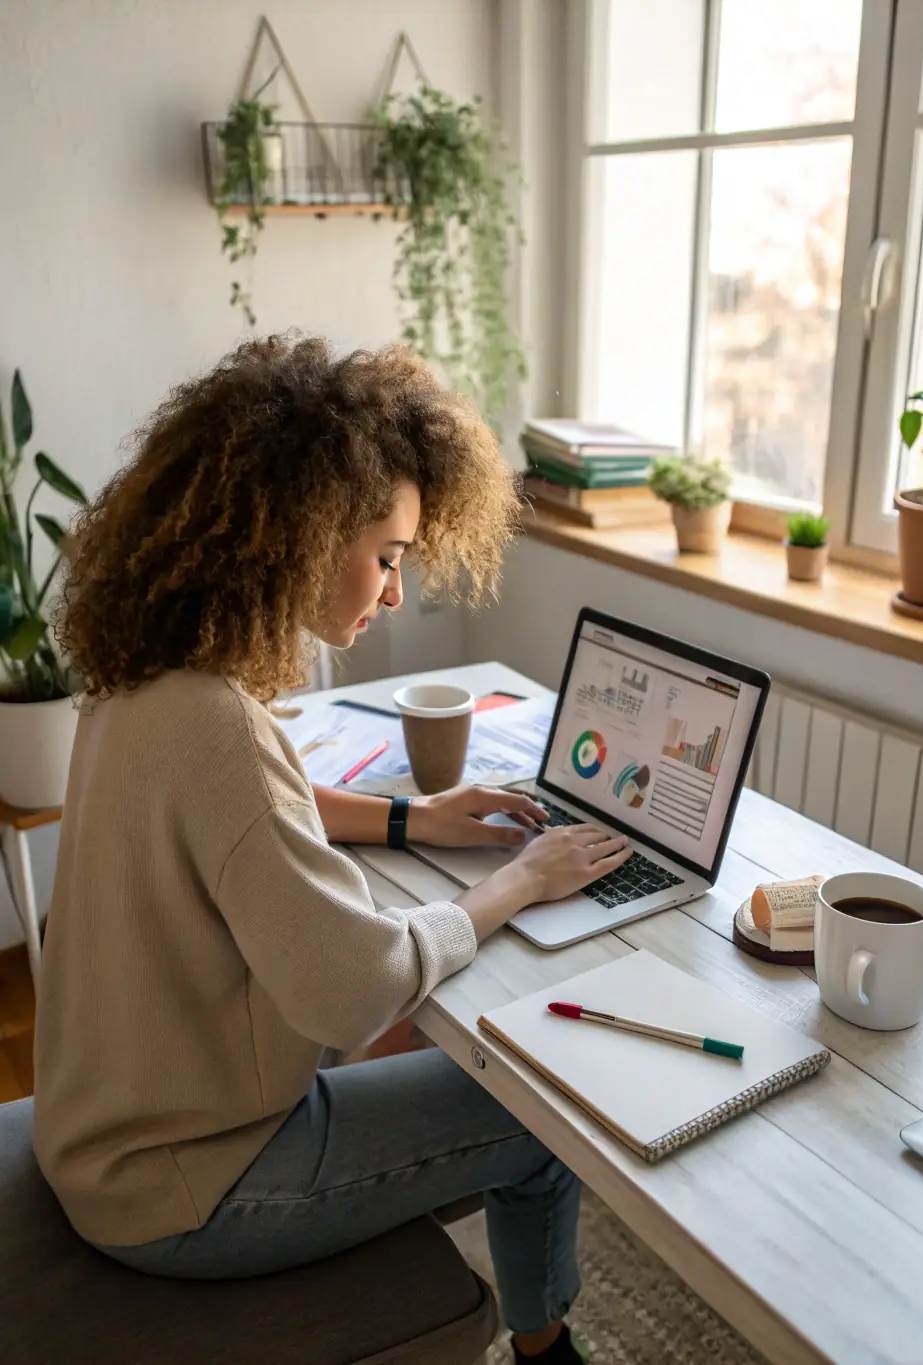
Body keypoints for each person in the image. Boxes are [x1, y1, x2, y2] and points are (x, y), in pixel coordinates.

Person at [33, 336, 632, 1364]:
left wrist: (410, 819)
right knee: (546, 1123)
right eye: (388, 558)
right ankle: (550, 1356)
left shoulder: (144, 683)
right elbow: (354, 993)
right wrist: (517, 883)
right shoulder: (217, 723)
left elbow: (244, 807)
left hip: (103, 1136)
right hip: (187, 1186)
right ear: (300, 536)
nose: (395, 592)